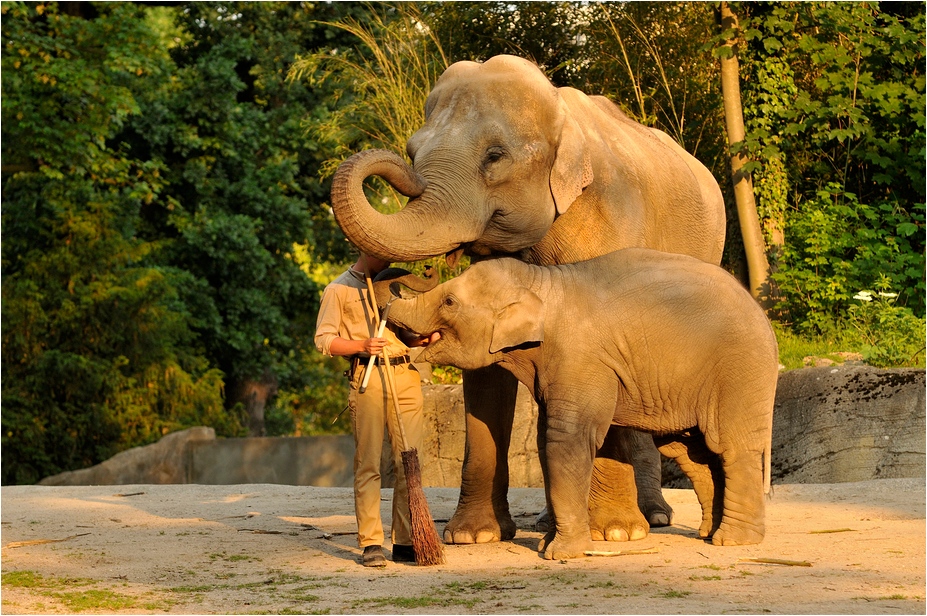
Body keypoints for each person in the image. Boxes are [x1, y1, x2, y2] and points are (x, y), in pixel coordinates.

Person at [314, 253, 435, 567]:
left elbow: (402, 332)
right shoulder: (338, 289)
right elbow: (324, 340)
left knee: (409, 460)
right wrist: (361, 346)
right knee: (369, 464)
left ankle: (406, 541)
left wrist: (420, 337)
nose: (390, 256)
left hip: (406, 374)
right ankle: (371, 543)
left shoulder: (393, 283)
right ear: (365, 249)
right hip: (367, 376)